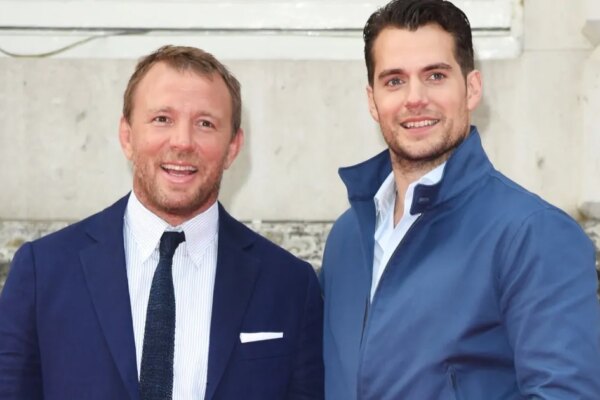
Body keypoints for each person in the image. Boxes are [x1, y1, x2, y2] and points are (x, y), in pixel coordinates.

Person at [0, 45, 324, 400]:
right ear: (127, 136)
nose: (182, 142)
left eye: (205, 123)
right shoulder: (43, 272)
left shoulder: (290, 285)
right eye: (162, 119)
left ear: (233, 147)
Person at [320, 0, 600, 398]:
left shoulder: (534, 235)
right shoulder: (347, 238)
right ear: (372, 100)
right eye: (394, 81)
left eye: (435, 76)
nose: (415, 98)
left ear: (471, 89)